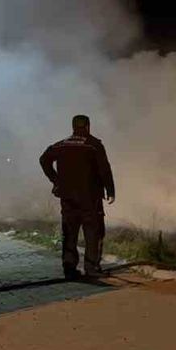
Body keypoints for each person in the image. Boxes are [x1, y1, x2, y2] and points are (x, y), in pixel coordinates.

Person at [39, 115, 116, 279]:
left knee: (69, 233)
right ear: (88, 126)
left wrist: (56, 180)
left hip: (68, 198)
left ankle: (69, 269)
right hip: (90, 198)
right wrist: (110, 190)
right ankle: (92, 268)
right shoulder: (94, 145)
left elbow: (43, 160)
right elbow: (104, 169)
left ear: (73, 127)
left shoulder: (61, 144)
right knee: (93, 233)